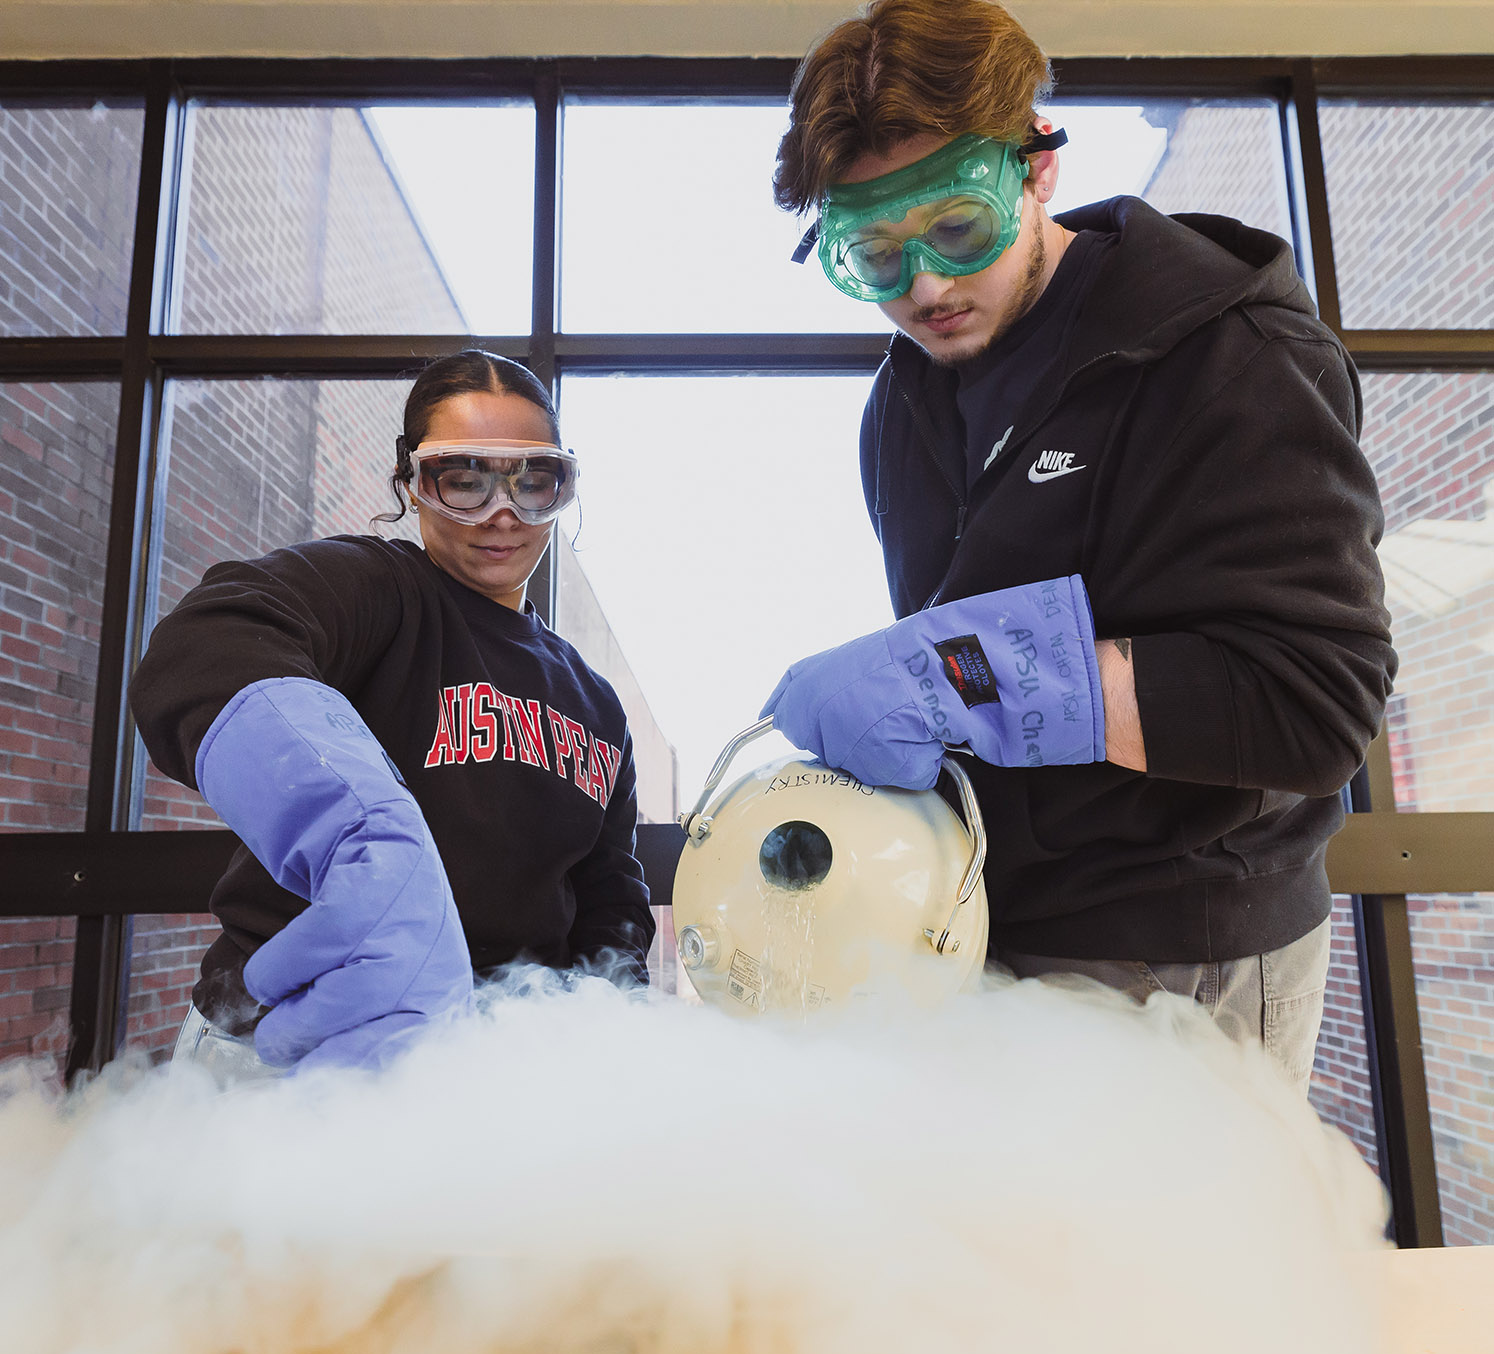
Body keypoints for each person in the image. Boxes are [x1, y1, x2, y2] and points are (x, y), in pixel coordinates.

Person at [762, 0, 1395, 1090]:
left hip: (1180, 945)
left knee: (1158, 1266)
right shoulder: (903, 405)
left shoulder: (1221, 350)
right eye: (873, 255)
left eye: (958, 228)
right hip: (991, 926)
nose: (925, 289)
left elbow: (1314, 703)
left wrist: (952, 676)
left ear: (1038, 168)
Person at [130, 350, 655, 1073]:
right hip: (293, 1040)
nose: (502, 514)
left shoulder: (597, 704)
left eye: (533, 481)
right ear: (411, 483)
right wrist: (350, 820)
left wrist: (606, 1028)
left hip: (495, 1064)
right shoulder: (380, 591)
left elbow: (610, 901)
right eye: (463, 480)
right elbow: (206, 642)